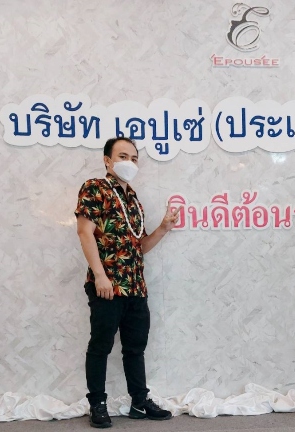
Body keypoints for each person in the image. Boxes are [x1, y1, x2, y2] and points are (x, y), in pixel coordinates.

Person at [75, 137, 180, 428]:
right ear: (107, 160)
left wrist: (163, 228)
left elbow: (140, 246)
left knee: (135, 347)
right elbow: (84, 232)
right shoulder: (95, 188)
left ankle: (139, 401)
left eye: (134, 158)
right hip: (107, 285)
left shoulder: (133, 199)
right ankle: (97, 403)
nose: (129, 162)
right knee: (100, 346)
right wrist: (100, 275)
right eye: (123, 156)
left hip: (135, 286)